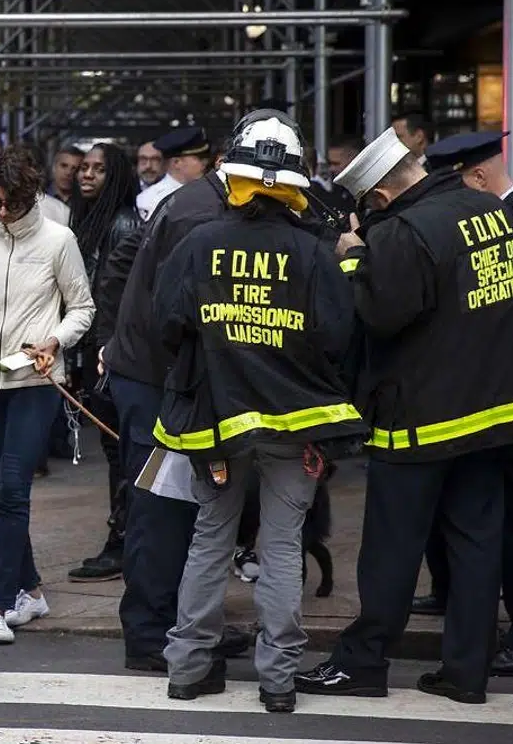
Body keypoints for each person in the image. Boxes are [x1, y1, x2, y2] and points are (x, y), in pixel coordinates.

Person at [296, 127, 513, 704]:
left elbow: (380, 316)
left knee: (391, 547)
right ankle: (467, 671)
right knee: (476, 541)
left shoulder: (404, 232)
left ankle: (362, 663)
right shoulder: (489, 209)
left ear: (379, 197)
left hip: (423, 416)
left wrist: (355, 257)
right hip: (495, 408)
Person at [154, 111, 365, 713]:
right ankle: (278, 680)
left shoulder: (199, 245)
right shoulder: (314, 252)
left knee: (210, 540)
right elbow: (335, 339)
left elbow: (167, 324)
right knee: (279, 547)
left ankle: (188, 669)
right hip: (296, 427)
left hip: (216, 424)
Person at [408, 131, 513, 677]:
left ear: (476, 178)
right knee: (481, 509)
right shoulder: (508, 221)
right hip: (506, 399)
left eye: (453, 184)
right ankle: (460, 597)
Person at [96, 122, 251, 673]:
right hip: (161, 382)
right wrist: (133, 345)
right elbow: (178, 310)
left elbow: (121, 268)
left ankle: (186, 624)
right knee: (161, 510)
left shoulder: (192, 200)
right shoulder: (201, 214)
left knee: (181, 510)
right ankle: (150, 634)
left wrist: (119, 338)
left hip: (154, 373)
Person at [0, 145, 92, 646]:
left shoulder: (58, 239)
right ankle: (31, 589)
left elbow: (82, 308)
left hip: (36, 379)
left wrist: (55, 340)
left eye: (9, 204)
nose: (0, 213)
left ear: (30, 198)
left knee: (12, 489)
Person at [67, 142, 140, 582]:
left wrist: (102, 354)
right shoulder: (94, 220)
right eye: (83, 168)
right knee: (116, 453)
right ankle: (124, 538)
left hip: (109, 355)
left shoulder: (125, 223)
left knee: (121, 453)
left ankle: (123, 542)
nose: (86, 175)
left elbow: (116, 298)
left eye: (97, 169)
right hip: (95, 352)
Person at [135, 127, 212, 221]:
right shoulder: (150, 200)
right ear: (177, 162)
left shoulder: (205, 193)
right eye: (199, 159)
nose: (204, 164)